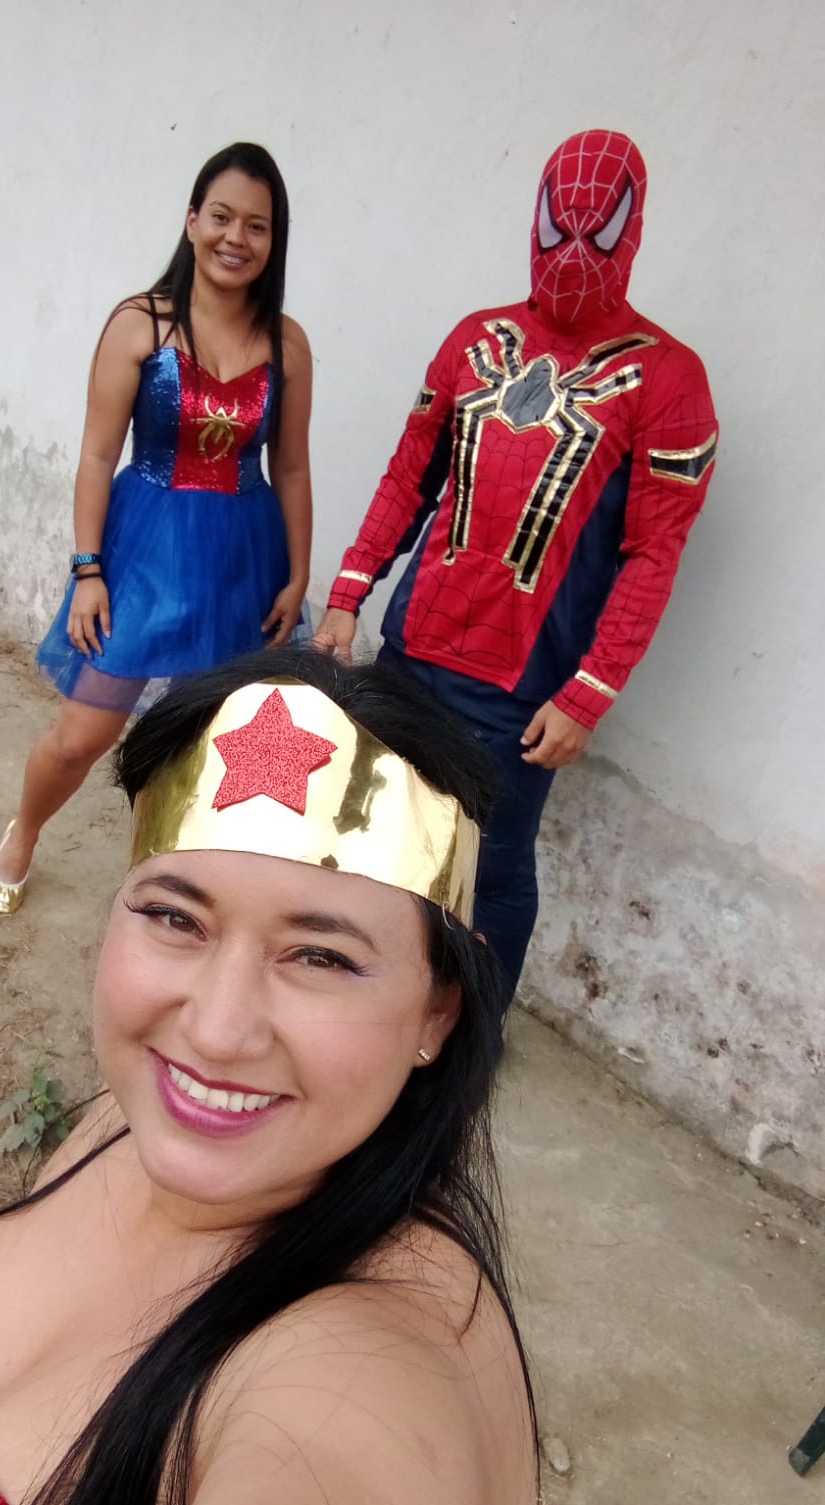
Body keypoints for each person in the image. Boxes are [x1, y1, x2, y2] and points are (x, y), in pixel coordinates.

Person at [0, 646, 537, 1505]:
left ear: (438, 1012)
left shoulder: (361, 1396)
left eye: (322, 958)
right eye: (176, 919)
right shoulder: (129, 1119)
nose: (215, 1032)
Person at [314, 129, 718, 1001]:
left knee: (489, 872)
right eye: (557, 226)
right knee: (375, 829)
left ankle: (472, 1036)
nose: (571, 252)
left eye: (596, 232)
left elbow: (654, 553)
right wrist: (350, 591)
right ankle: (369, 1005)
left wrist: (588, 695)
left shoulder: (668, 380)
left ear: (631, 230)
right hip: (412, 651)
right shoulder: (475, 340)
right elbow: (408, 478)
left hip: (519, 693)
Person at [0, 142, 313, 912]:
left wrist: (298, 576)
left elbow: (293, 469)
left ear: (274, 241)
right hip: (146, 552)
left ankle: (177, 892)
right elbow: (98, 456)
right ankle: (27, 827)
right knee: (82, 735)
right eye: (222, 217)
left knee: (212, 743)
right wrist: (88, 570)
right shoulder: (141, 325)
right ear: (192, 220)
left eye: (257, 226)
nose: (236, 238)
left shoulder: (287, 344)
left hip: (243, 558)